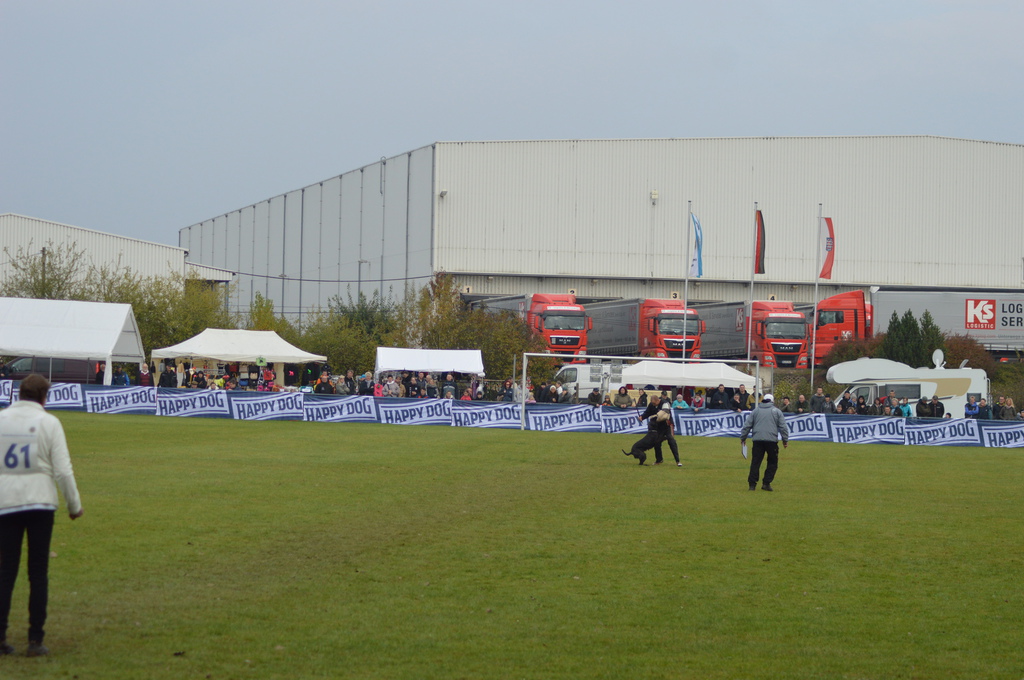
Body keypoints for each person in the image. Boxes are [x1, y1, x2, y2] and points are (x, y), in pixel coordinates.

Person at [0, 374, 84, 657]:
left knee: (6, 571)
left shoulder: (2, 419)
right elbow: (63, 471)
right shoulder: (49, 423)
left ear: (20, 393)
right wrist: (74, 506)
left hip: (6, 502)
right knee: (38, 572)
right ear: (44, 397)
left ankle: (0, 637)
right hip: (40, 503)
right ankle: (35, 639)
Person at [739, 393, 789, 491]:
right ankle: (766, 483)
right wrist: (785, 440)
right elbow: (783, 427)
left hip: (757, 440)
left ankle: (752, 485)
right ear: (772, 401)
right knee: (772, 462)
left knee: (755, 462)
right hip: (771, 441)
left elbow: (747, 425)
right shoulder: (777, 411)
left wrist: (743, 438)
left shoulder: (756, 411)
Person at [638, 393, 681, 466]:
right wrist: (642, 417)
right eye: (652, 403)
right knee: (657, 442)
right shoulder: (651, 405)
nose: (653, 405)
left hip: (667, 426)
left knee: (672, 442)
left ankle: (678, 461)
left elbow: (663, 414)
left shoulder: (665, 403)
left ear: (658, 400)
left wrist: (654, 417)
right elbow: (647, 412)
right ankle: (659, 460)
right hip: (658, 427)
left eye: (654, 403)